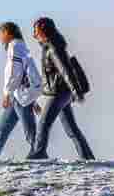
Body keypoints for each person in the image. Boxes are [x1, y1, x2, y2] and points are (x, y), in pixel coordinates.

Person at [26, 15, 96, 161]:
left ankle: (38, 154)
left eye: (36, 31)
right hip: (62, 92)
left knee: (43, 125)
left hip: (59, 93)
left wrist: (76, 92)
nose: (34, 34)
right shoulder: (51, 46)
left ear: (44, 31)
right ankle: (87, 157)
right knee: (71, 129)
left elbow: (66, 70)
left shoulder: (53, 48)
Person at [0, 21, 41, 160]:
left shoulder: (15, 46)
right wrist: (33, 98)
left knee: (30, 132)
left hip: (19, 94)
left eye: (0, 34)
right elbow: (28, 73)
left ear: (7, 33)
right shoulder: (21, 47)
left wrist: (7, 92)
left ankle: (39, 154)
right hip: (21, 94)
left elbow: (15, 72)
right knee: (2, 130)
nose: (0, 37)